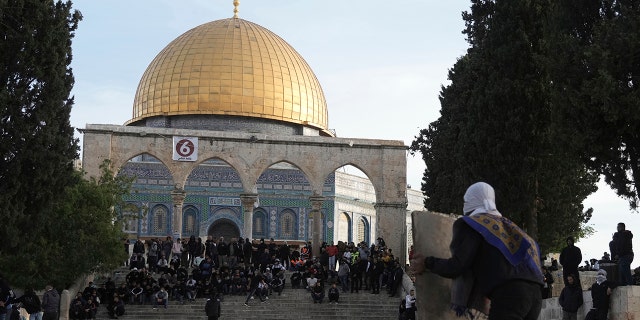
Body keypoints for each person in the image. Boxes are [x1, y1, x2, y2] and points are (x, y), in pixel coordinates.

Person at [410, 182, 544, 320]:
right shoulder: (510, 227)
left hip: (509, 295)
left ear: (471, 201)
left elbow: (457, 265)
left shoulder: (473, 224)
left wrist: (427, 262)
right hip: (536, 296)